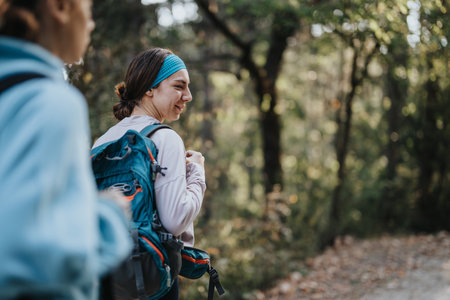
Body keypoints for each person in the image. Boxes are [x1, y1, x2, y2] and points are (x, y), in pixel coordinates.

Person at [0, 1, 131, 299]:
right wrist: (107, 216)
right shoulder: (50, 100)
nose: (92, 24)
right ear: (59, 7)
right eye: (89, 10)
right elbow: (25, 255)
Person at [93, 48, 207, 299]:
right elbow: (175, 219)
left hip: (108, 278)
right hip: (152, 279)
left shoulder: (102, 143)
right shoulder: (164, 137)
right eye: (179, 86)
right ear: (149, 88)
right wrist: (197, 173)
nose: (188, 96)